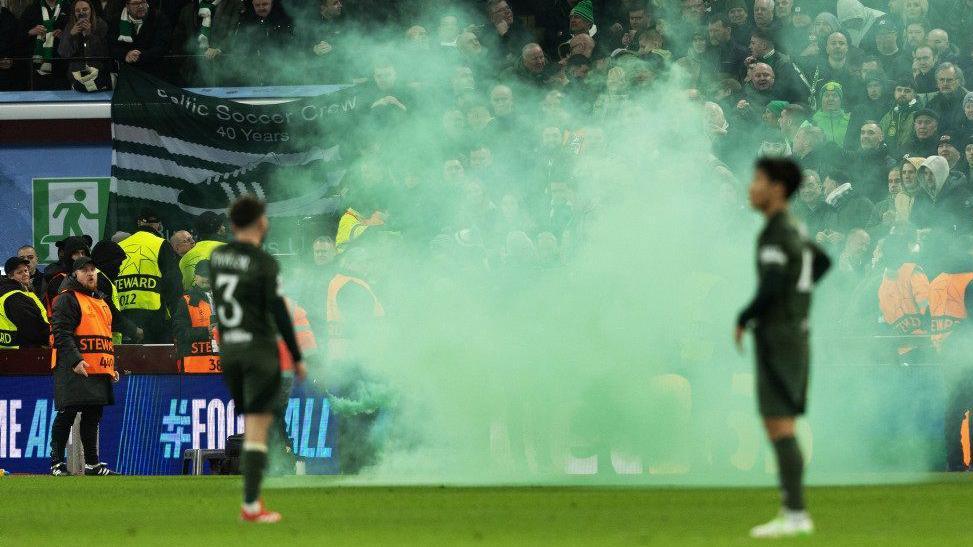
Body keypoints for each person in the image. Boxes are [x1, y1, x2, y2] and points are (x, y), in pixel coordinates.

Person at [735, 157, 831, 538]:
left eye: (757, 179)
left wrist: (744, 317)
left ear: (776, 188)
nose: (751, 187)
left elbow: (772, 283)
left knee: (779, 425)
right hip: (793, 332)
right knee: (780, 423)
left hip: (779, 336)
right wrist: (800, 296)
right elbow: (821, 261)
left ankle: (794, 513)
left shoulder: (776, 232)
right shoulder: (794, 229)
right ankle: (792, 511)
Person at [210, 196, 305, 523]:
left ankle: (254, 502)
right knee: (258, 427)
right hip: (259, 352)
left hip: (232, 352)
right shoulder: (265, 262)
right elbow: (278, 311)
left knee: (255, 423)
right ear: (260, 223)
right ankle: (252, 504)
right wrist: (296, 355)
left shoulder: (218, 257)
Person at [49, 257, 119, 476]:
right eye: (84, 271)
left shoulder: (101, 301)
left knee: (93, 415)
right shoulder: (67, 299)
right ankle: (57, 463)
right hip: (73, 366)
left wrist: (111, 366)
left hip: (97, 368)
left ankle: (92, 464)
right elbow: (61, 334)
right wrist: (75, 360)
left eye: (93, 270)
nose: (90, 274)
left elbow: (105, 337)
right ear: (74, 275)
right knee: (67, 413)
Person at [116, 208, 182, 343]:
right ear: (158, 225)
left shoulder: (120, 245)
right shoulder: (162, 244)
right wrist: (177, 318)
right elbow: (173, 284)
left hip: (123, 315)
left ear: (139, 223)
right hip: (154, 316)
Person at [172, 259, 219, 374]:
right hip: (194, 368)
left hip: (221, 367)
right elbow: (179, 332)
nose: (207, 278)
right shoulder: (186, 300)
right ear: (195, 276)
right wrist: (206, 331)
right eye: (203, 275)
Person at [108, 0, 172, 80]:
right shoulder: (117, 20)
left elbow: (162, 45)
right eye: (135, 3)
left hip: (153, 72)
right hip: (126, 73)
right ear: (127, 6)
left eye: (143, 2)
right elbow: (112, 45)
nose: (141, 6)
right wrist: (125, 54)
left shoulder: (158, 18)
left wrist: (140, 56)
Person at [57, 0, 112, 92]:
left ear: (91, 10)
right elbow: (63, 53)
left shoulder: (101, 25)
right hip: (76, 77)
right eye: (77, 11)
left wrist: (90, 34)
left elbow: (105, 52)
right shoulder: (70, 26)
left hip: (99, 76)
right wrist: (71, 36)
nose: (81, 12)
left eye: (85, 9)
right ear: (74, 13)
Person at [0, 257, 49, 349]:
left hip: (10, 350)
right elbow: (31, 326)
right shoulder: (15, 296)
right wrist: (49, 339)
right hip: (24, 351)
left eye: (26, 271)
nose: (25, 274)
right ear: (10, 276)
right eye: (19, 272)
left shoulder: (18, 292)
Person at [179, 210, 226, 290]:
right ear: (218, 230)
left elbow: (186, 290)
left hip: (198, 301)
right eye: (222, 225)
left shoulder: (185, 258)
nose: (224, 227)